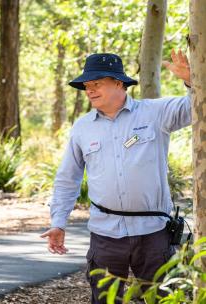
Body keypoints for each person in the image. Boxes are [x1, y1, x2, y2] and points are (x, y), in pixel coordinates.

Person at [41, 50, 191, 303]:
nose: (89, 90)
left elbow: (195, 107)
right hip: (105, 235)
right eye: (87, 86)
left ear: (119, 83)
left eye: (97, 83)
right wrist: (59, 221)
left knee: (164, 299)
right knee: (105, 300)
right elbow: (68, 179)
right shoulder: (82, 127)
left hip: (153, 233)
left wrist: (191, 81)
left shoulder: (154, 113)